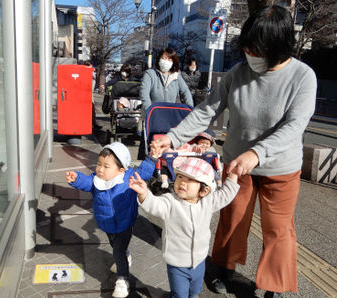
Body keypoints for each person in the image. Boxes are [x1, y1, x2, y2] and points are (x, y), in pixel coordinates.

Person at [151, 5, 317, 297]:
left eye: (257, 49)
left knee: (278, 229)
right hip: (238, 164)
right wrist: (173, 137)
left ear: (277, 47)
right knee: (231, 217)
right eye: (248, 47)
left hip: (281, 167)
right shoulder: (237, 73)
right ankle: (223, 269)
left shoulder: (302, 77)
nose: (250, 54)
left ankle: (273, 286)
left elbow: (294, 126)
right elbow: (207, 111)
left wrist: (257, 153)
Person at [129, 158, 239, 298]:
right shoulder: (171, 202)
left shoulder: (207, 202)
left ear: (204, 190)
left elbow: (225, 195)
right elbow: (155, 205)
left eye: (190, 180)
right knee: (180, 295)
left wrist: (234, 175)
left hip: (199, 261)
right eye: (180, 176)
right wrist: (144, 194)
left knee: (194, 291)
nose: (182, 182)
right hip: (177, 264)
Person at [65, 142, 158, 298]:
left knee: (118, 250)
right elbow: (86, 183)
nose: (100, 169)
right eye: (99, 164)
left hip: (125, 223)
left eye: (106, 166)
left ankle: (123, 279)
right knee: (115, 245)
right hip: (106, 222)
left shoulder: (129, 178)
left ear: (121, 169)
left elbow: (144, 172)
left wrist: (152, 158)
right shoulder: (96, 179)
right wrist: (76, 178)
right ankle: (125, 256)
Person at [139, 48, 193, 112]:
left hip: (170, 115)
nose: (166, 62)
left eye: (169, 60)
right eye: (164, 58)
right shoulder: (150, 74)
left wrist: (190, 109)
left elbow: (185, 91)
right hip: (152, 115)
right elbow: (144, 94)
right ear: (159, 59)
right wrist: (150, 111)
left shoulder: (176, 75)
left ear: (173, 62)